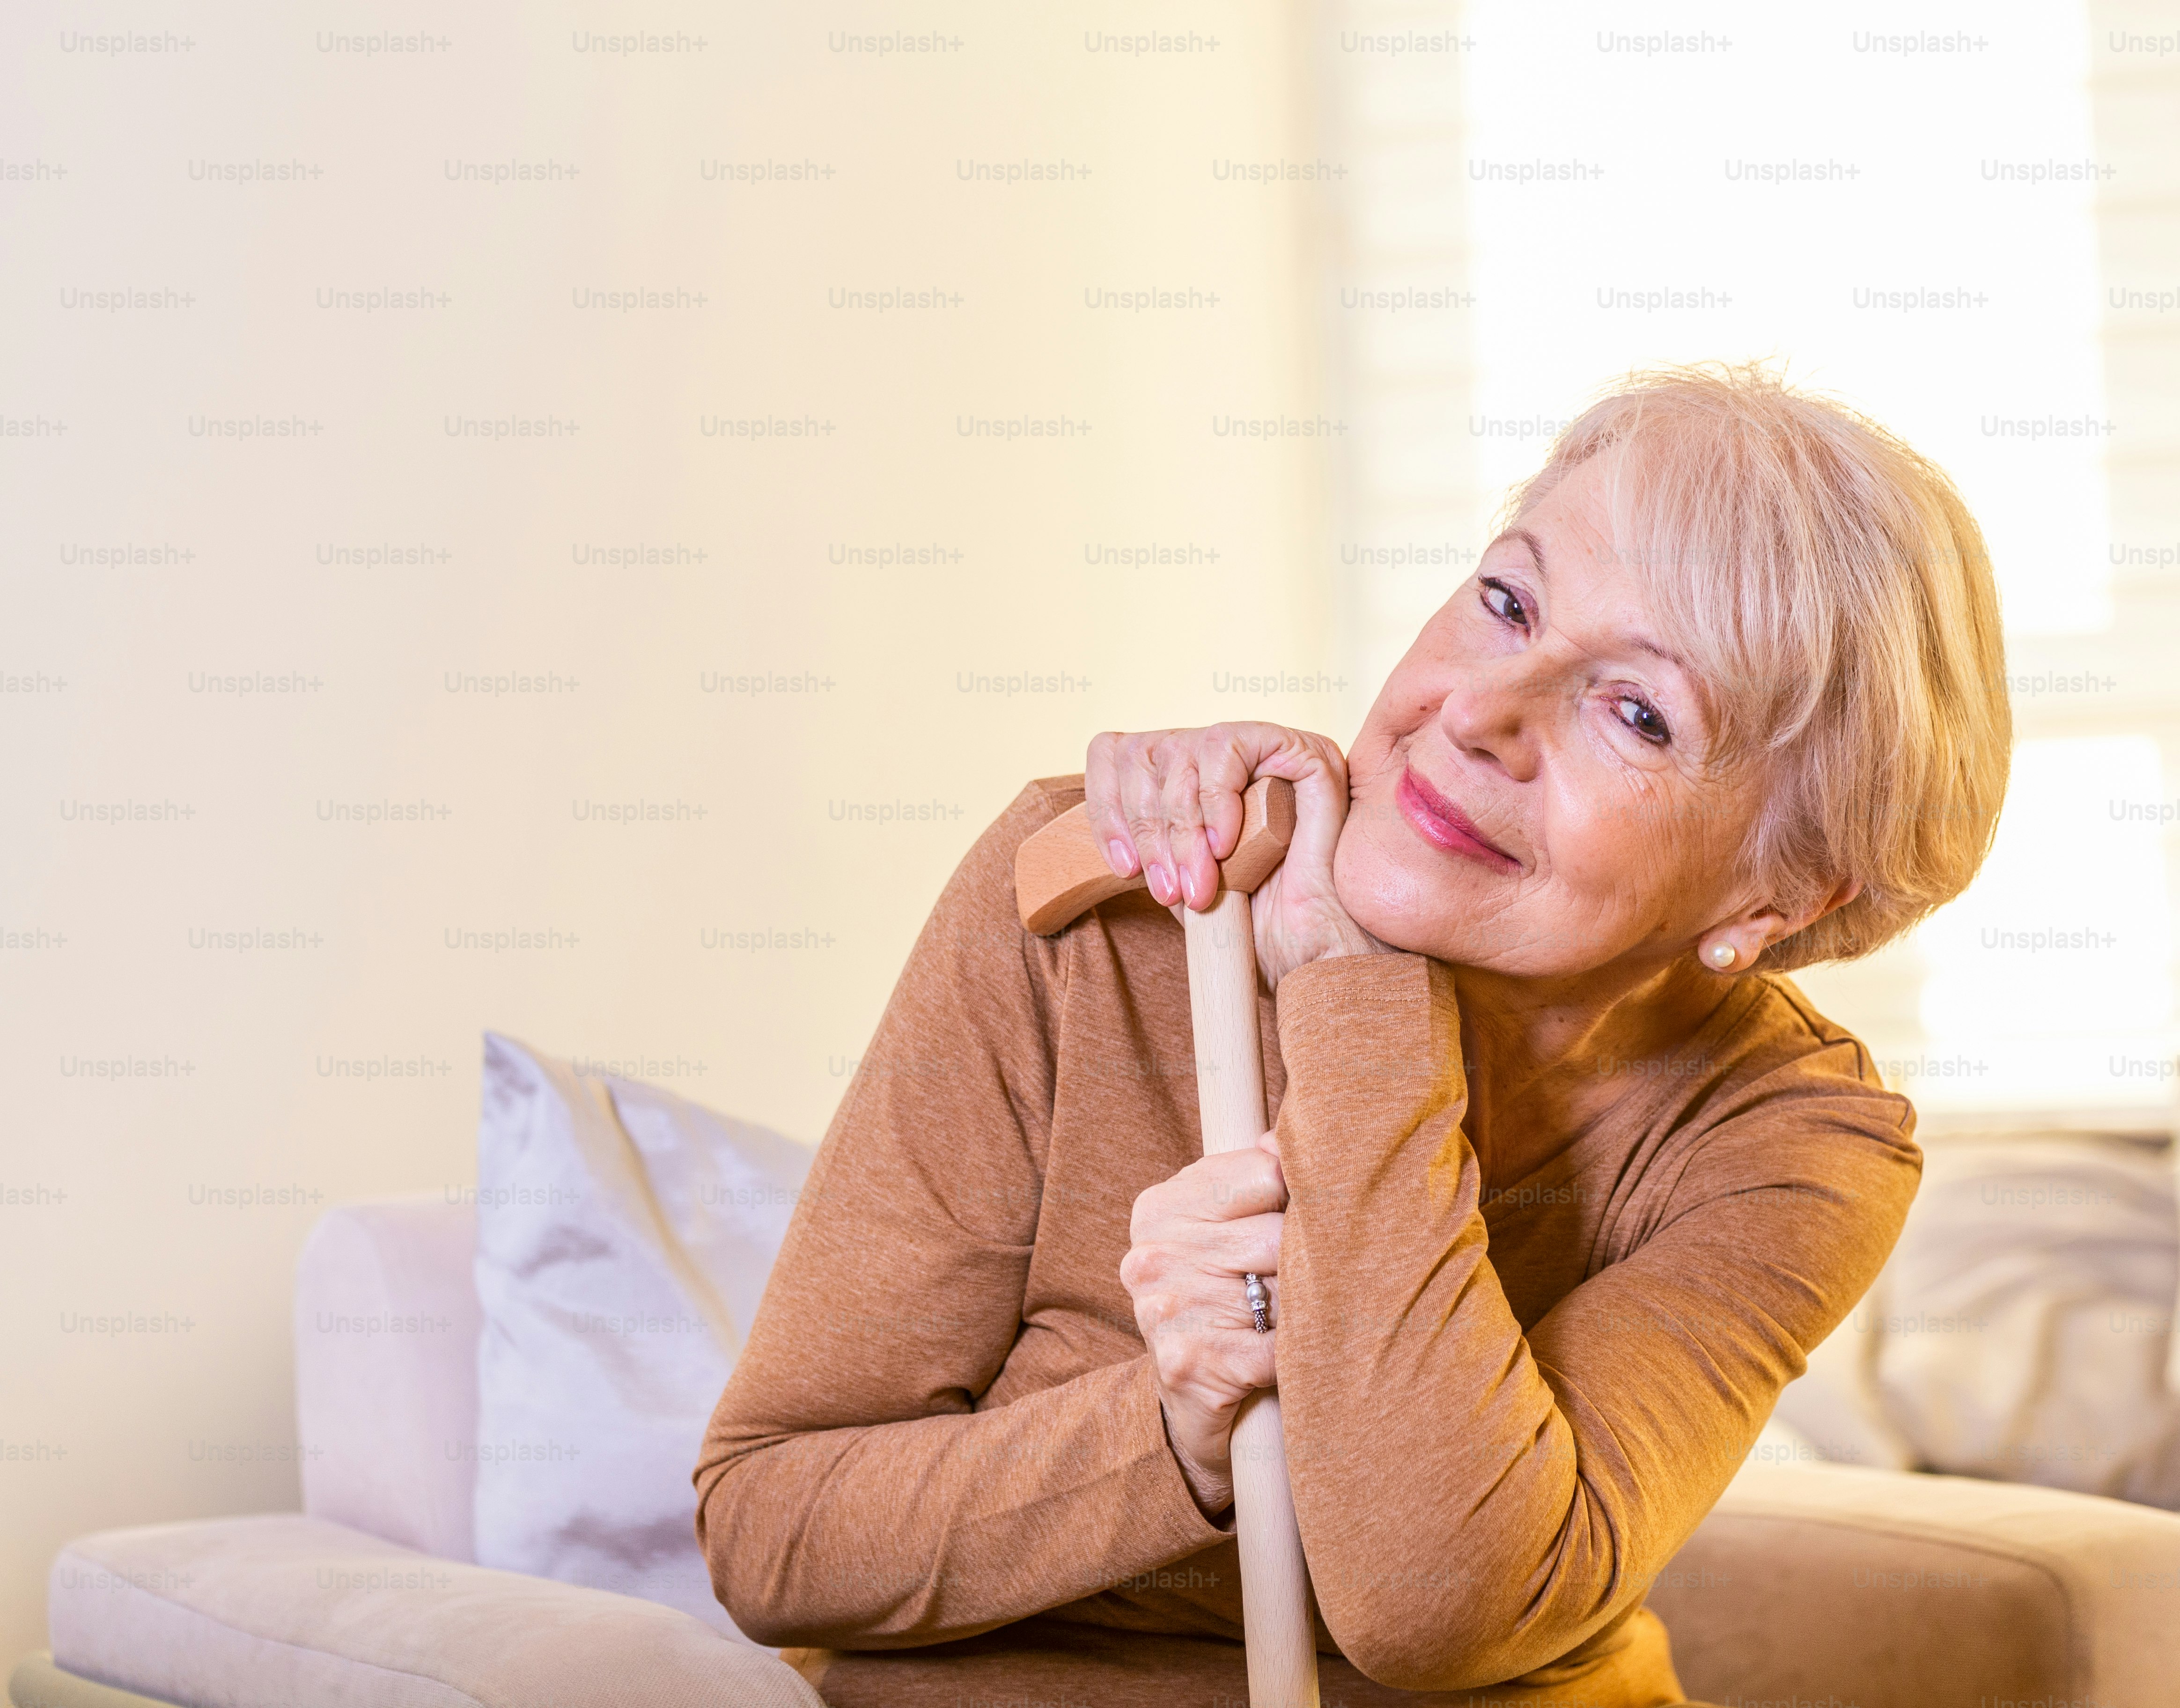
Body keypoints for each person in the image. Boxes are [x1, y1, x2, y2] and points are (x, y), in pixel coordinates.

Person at [695, 364, 2011, 1706]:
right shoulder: (1110, 907)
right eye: (1507, 604)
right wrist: (1179, 1434)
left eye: (1637, 713)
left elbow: (1437, 1608)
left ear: (1776, 897)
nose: (1482, 715)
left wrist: (1350, 986)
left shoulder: (1796, 1142)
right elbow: (770, 1536)